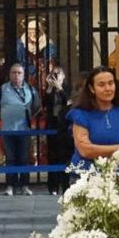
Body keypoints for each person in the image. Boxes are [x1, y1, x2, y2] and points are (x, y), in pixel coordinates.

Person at [0, 64, 40, 196]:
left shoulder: (30, 89)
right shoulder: (1, 89)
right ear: (9, 74)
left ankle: (24, 185)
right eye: (13, 73)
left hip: (24, 129)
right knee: (10, 158)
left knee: (24, 158)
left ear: (23, 75)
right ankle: (10, 185)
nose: (16, 75)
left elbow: (37, 106)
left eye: (19, 73)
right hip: (8, 130)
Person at [65, 66, 119, 168]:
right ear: (92, 88)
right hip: (87, 175)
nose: (108, 88)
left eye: (111, 83)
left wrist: (100, 150)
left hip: (118, 174)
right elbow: (85, 151)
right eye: (101, 85)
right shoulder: (81, 114)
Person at [40, 67, 72, 195]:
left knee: (64, 157)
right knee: (52, 156)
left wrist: (59, 88)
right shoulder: (50, 90)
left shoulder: (67, 88)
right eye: (53, 74)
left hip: (63, 125)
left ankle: (65, 186)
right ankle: (52, 187)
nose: (55, 77)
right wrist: (49, 88)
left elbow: (68, 102)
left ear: (63, 76)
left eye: (57, 74)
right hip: (52, 124)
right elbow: (45, 104)